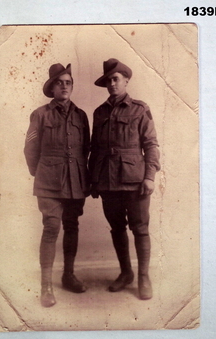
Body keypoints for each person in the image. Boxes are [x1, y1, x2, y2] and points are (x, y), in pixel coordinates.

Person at [89, 58, 160, 300]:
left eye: (116, 79)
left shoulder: (139, 109)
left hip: (134, 179)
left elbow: (151, 145)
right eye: (108, 80)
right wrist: (93, 180)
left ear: (126, 80)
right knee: (117, 228)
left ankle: (143, 277)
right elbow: (94, 149)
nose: (112, 84)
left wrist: (149, 177)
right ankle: (126, 272)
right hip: (108, 181)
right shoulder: (99, 113)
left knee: (140, 229)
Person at [24, 63, 90, 307]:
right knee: (51, 228)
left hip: (75, 181)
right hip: (49, 182)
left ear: (71, 86)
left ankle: (68, 275)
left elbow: (86, 149)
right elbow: (30, 148)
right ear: (51, 88)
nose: (64, 86)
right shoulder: (40, 114)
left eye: (68, 82)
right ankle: (46, 286)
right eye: (59, 82)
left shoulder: (81, 116)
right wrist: (40, 172)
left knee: (72, 226)